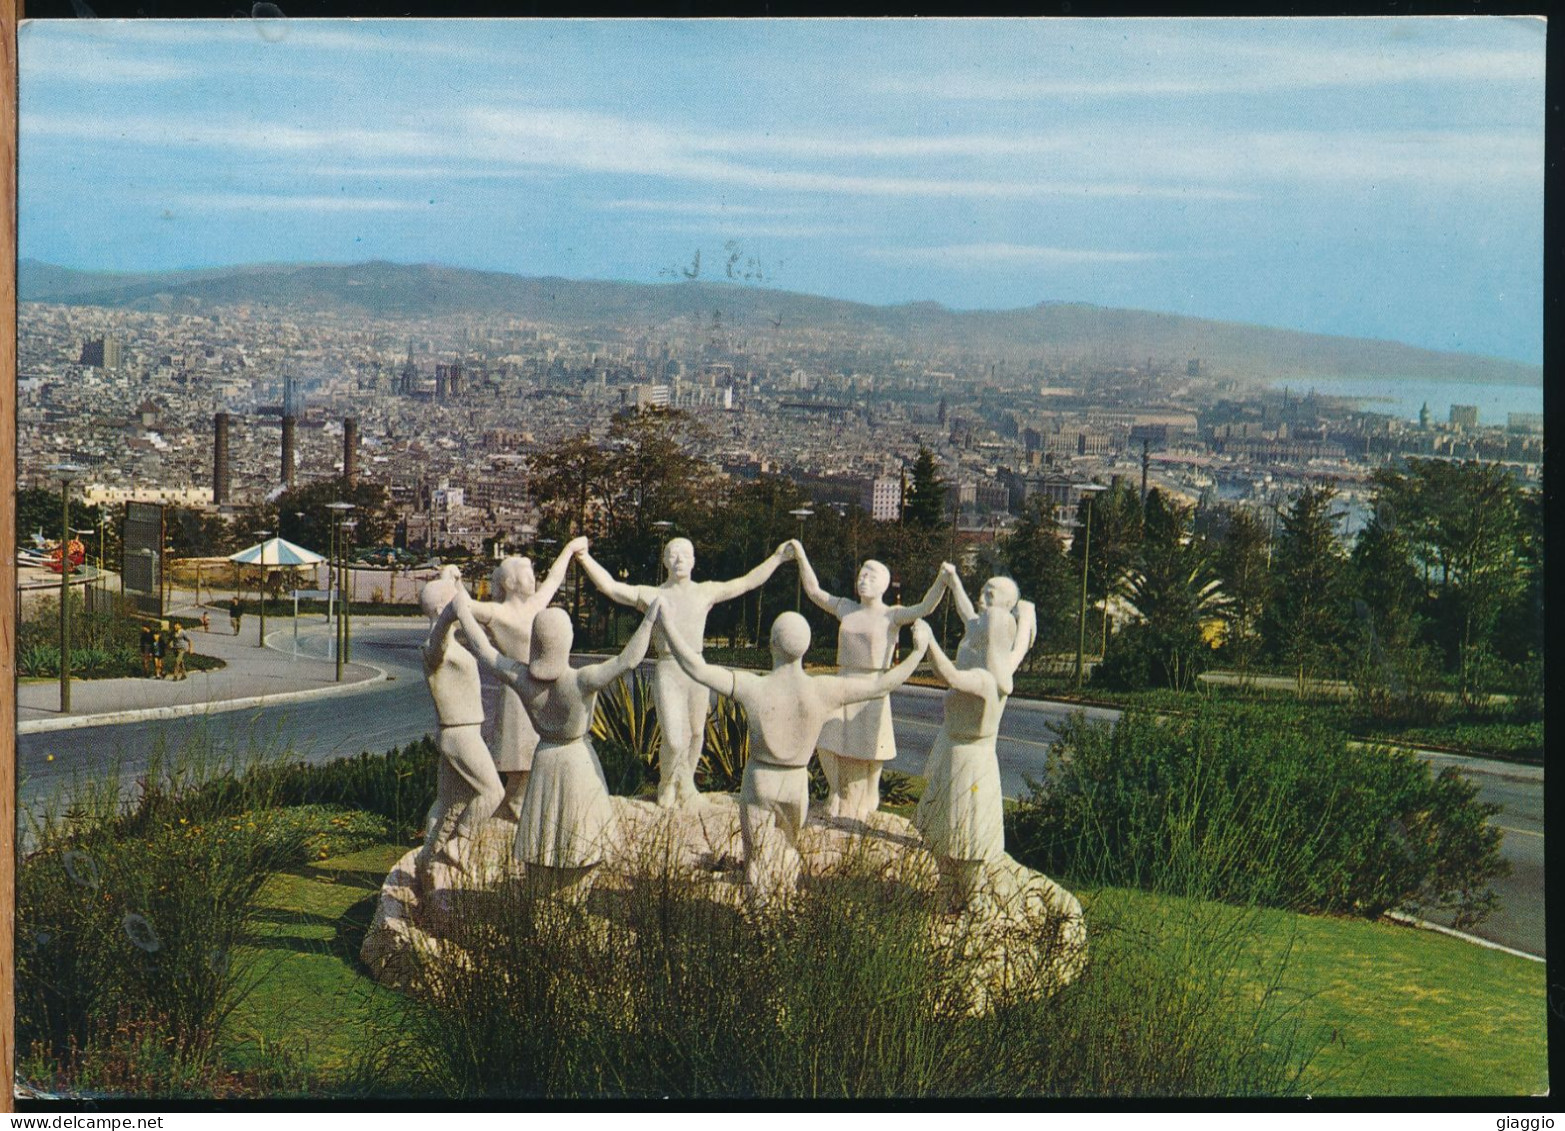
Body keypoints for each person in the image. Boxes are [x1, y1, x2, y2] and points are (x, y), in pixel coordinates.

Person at [659, 608, 933, 900]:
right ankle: (782, 906)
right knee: (786, 852)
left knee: (758, 859)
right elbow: (883, 685)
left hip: (760, 780)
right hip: (796, 785)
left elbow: (696, 668)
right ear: (807, 647)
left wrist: (667, 623)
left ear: (771, 645)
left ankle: (759, 914)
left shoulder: (754, 686)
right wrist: (917, 651)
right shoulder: (823, 689)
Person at [451, 587, 661, 899]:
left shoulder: (520, 677)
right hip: (576, 761)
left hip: (544, 759)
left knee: (545, 835)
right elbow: (627, 660)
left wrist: (462, 611)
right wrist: (650, 619)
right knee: (580, 835)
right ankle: (572, 897)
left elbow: (484, 650)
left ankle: (545, 898)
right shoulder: (581, 680)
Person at [576, 538, 793, 808]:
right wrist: (584, 557)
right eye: (673, 555)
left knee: (696, 734)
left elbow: (747, 582)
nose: (679, 560)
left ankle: (686, 785)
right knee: (674, 739)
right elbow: (611, 587)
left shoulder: (705, 592)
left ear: (693, 560)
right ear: (665, 560)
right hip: (668, 669)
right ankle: (666, 783)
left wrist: (777, 558)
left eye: (685, 555)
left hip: (697, 671)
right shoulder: (654, 594)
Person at [791, 542, 950, 821]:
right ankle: (834, 791)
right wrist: (801, 555)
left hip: (874, 686)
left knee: (871, 745)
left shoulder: (892, 615)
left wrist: (942, 580)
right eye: (862, 576)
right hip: (843, 682)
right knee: (826, 739)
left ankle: (871, 792)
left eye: (871, 577)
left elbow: (924, 607)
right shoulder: (846, 609)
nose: (863, 581)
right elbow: (814, 591)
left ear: (884, 585)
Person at [913, 574, 1037, 911]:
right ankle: (947, 891)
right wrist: (955, 586)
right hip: (957, 756)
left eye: (989, 595)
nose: (981, 600)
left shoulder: (986, 679)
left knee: (965, 839)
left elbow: (950, 676)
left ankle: (973, 902)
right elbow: (1007, 634)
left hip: (971, 764)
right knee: (946, 835)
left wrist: (928, 641)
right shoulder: (999, 665)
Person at [464, 537, 589, 821]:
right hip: (517, 687)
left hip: (540, 689)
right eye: (527, 575)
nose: (534, 579)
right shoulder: (499, 612)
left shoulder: (535, 605)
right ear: (509, 583)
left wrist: (568, 549)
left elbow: (555, 578)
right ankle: (516, 806)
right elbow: (466, 606)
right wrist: (453, 583)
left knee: (533, 752)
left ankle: (516, 804)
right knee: (519, 757)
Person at [416, 574, 506, 879]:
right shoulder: (433, 647)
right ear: (443, 609)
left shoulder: (451, 641)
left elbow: (466, 617)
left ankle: (427, 858)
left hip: (464, 732)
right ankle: (461, 845)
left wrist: (456, 584)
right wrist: (447, 614)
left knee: (448, 802)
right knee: (492, 792)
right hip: (460, 734)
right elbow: (437, 644)